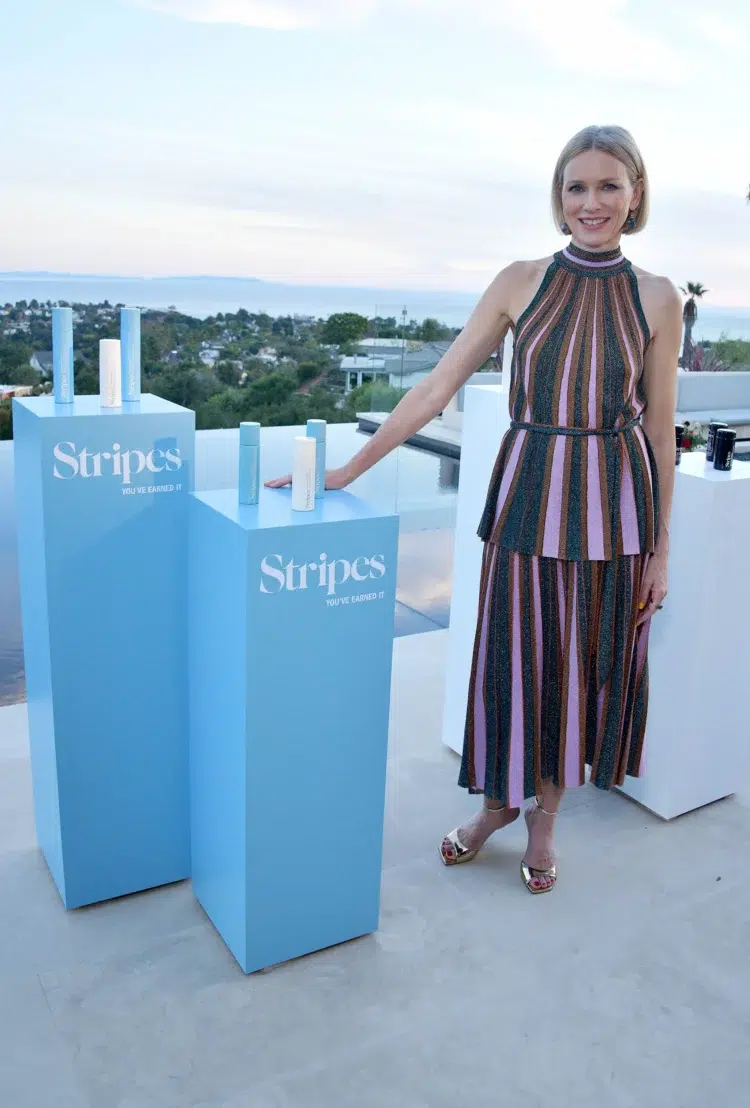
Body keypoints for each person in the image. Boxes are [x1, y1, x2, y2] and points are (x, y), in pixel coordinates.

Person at [266, 124, 682, 895]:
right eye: (575, 187)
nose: (591, 202)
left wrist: (659, 549)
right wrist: (348, 467)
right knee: (513, 666)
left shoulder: (658, 296)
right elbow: (434, 392)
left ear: (635, 196)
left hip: (614, 516)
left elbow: (659, 430)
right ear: (559, 200)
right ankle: (496, 808)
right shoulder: (520, 280)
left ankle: (545, 823)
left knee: (579, 671)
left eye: (608, 186)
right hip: (526, 500)